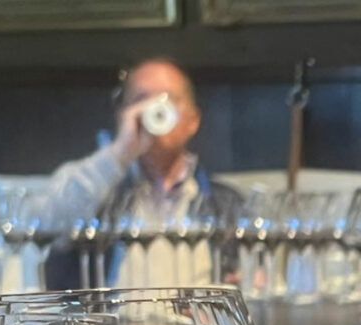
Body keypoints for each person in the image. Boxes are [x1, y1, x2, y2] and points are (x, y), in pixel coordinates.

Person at [34, 58, 240, 289]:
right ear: (122, 115)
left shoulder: (226, 203)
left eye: (168, 100)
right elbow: (41, 230)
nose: (155, 110)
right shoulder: (98, 188)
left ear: (193, 120)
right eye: (141, 100)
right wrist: (119, 153)